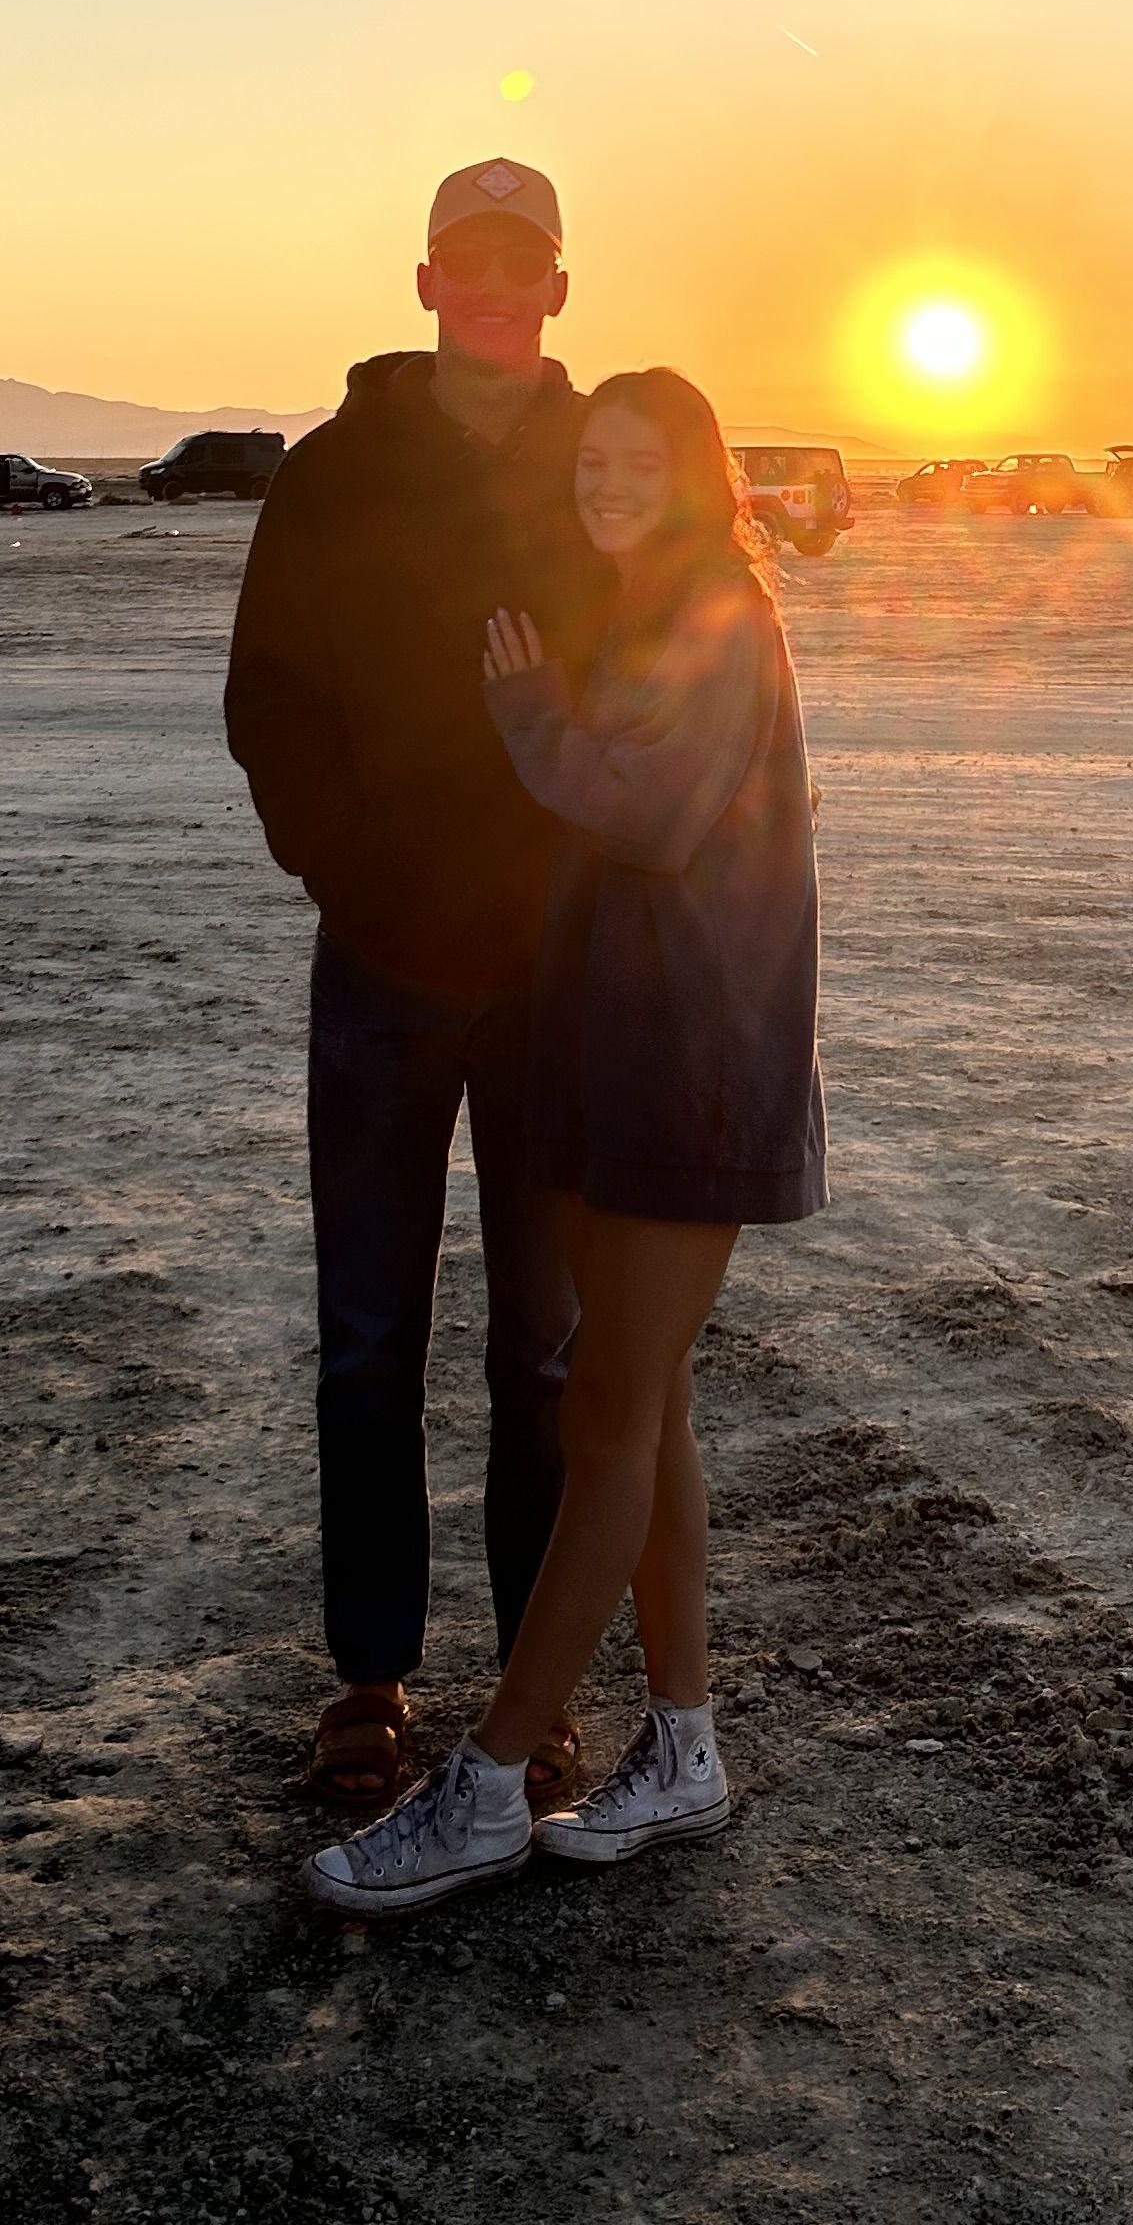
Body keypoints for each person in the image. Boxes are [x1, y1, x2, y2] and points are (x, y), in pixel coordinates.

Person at [303, 364, 826, 1920]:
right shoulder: (646, 602)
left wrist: (530, 716)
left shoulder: (716, 612)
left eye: (638, 462)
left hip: (689, 1064)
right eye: (591, 459)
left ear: (696, 476)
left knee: (604, 1421)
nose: (607, 482)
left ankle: (483, 1787)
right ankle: (684, 1748)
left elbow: (650, 810)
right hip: (616, 1052)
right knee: (651, 1414)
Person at [225, 160, 615, 1821]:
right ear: (427, 280)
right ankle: (372, 1676)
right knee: (371, 1337)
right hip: (382, 962)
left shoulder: (603, 465)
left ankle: (534, 1688)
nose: (497, 289)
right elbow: (269, 696)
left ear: (558, 286)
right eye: (471, 261)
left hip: (556, 976)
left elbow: (667, 668)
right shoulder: (335, 472)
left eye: (524, 264)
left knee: (546, 1350)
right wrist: (349, 869)